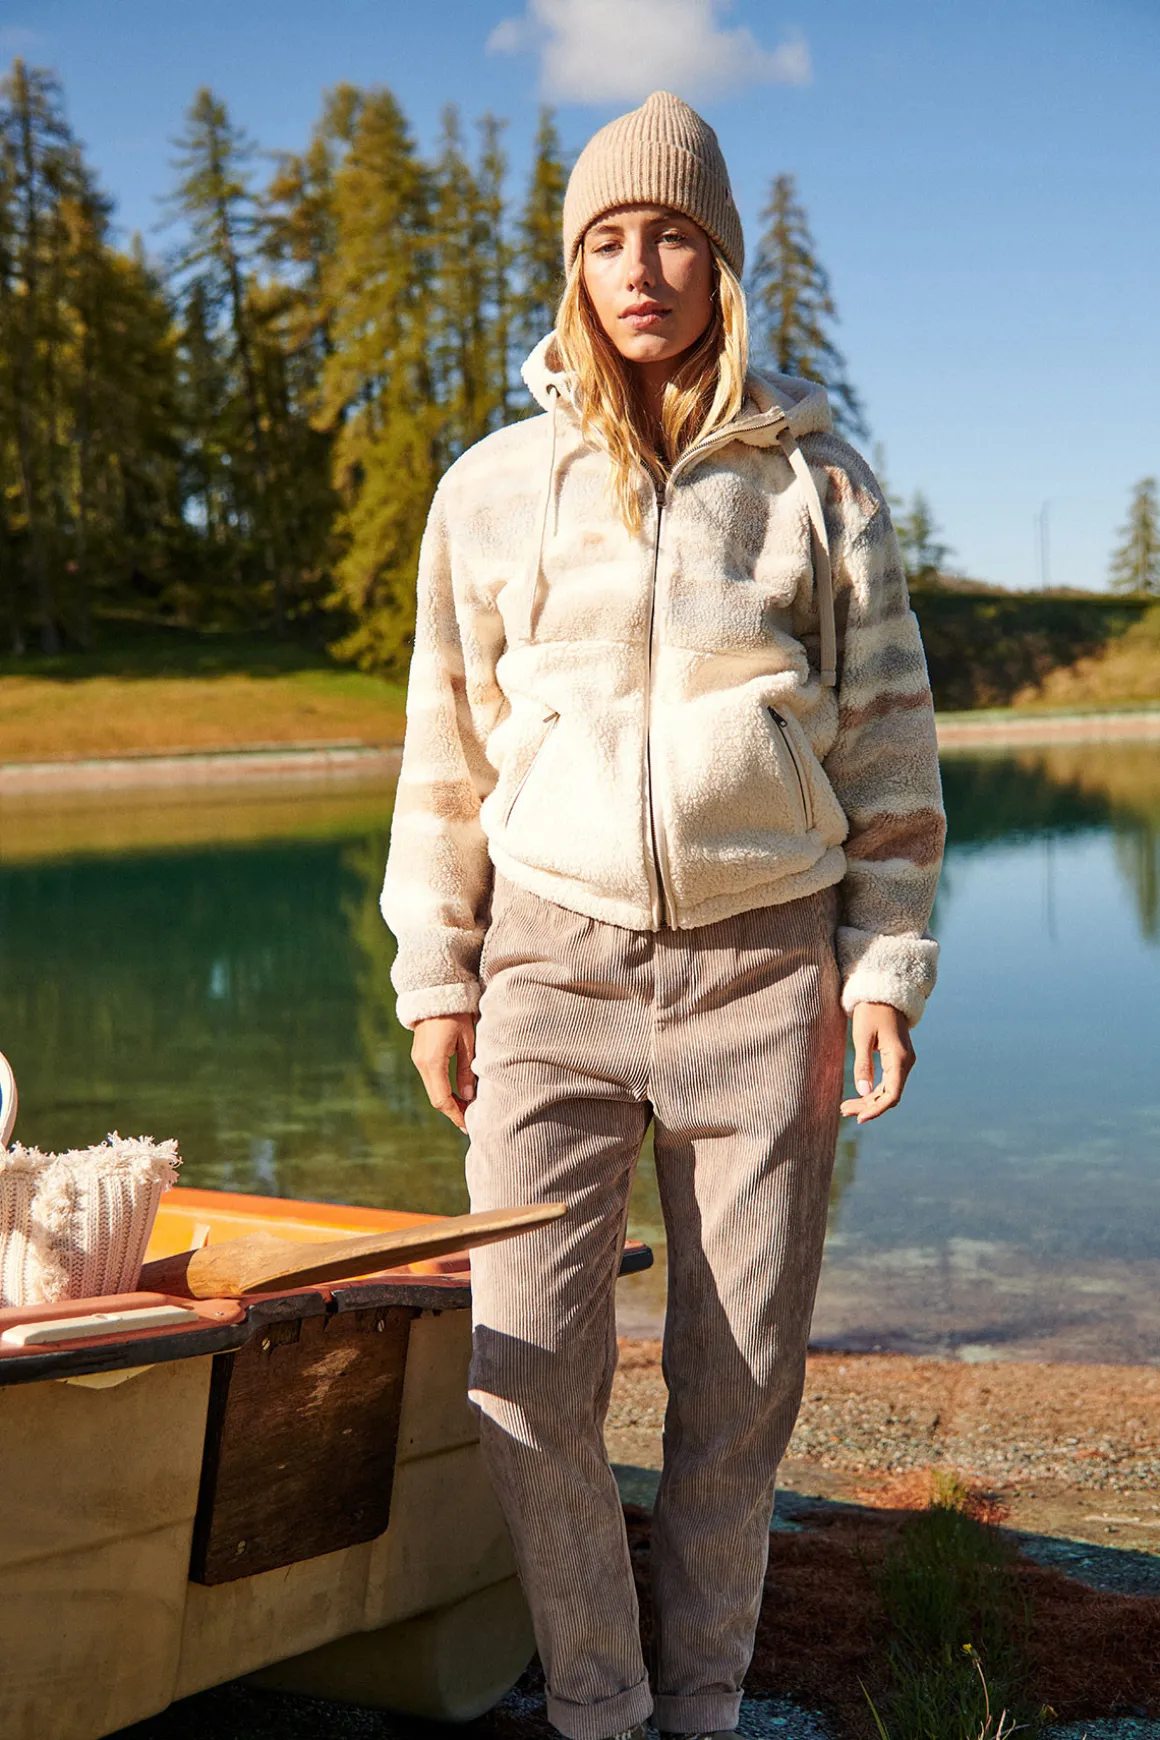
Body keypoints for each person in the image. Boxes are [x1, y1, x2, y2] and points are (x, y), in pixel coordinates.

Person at [382, 90, 945, 1740]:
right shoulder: (494, 489)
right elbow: (447, 752)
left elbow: (888, 741)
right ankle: (599, 1702)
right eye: (611, 240)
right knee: (525, 1369)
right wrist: (439, 974)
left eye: (675, 238)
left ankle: (700, 1706)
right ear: (576, 267)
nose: (642, 270)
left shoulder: (820, 485)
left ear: (722, 264)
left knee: (739, 1384)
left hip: (764, 970)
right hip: (549, 968)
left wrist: (883, 964)